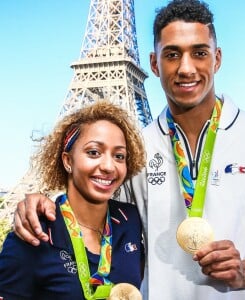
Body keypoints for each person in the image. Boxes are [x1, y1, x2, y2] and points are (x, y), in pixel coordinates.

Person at [12, 0, 245, 299]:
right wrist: (40, 204)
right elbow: (86, 213)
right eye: (172, 54)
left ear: (217, 58)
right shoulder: (130, 153)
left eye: (199, 53)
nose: (186, 68)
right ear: (154, 63)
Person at [0, 101, 145, 299]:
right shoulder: (34, 232)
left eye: (119, 156)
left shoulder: (130, 220)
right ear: (68, 161)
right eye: (94, 152)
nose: (109, 166)